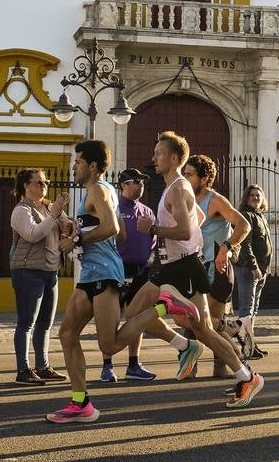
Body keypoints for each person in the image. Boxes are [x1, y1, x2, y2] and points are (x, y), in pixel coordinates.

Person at [100, 131, 265, 408]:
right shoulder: (176, 186)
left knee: (148, 322)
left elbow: (186, 228)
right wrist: (188, 241)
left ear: (174, 158)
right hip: (176, 264)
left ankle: (172, 314)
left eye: (159, 153)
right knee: (201, 329)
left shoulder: (177, 187)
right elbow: (197, 219)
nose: (154, 157)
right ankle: (228, 366)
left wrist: (153, 229)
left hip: (181, 267)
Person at [46, 140, 124, 423]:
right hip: (91, 273)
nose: (74, 166)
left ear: (92, 166)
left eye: (78, 162)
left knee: (110, 346)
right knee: (67, 334)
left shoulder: (98, 189)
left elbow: (112, 227)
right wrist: (74, 227)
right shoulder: (104, 190)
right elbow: (112, 229)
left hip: (104, 273)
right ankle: (81, 403)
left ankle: (162, 310)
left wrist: (77, 238)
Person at [186, 155, 249, 377]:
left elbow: (243, 224)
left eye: (190, 174)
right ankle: (225, 363)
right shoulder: (185, 199)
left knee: (196, 319)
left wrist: (226, 247)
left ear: (205, 178)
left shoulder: (214, 200)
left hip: (217, 269)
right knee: (204, 323)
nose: (185, 178)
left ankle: (213, 365)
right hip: (194, 268)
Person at [9, 168, 68, 385]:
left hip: (50, 271)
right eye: (39, 182)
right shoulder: (21, 211)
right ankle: (23, 369)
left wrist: (61, 215)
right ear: (25, 186)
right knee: (27, 322)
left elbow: (67, 227)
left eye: (46, 181)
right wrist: (53, 215)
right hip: (28, 271)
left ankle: (42, 366)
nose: (44, 186)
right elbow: (33, 235)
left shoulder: (47, 207)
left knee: (45, 323)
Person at [99, 168, 157, 383]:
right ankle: (107, 365)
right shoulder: (113, 209)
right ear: (123, 185)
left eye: (142, 182)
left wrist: (150, 261)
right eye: (135, 181)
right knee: (110, 318)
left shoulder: (148, 211)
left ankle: (134, 364)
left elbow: (152, 241)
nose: (140, 185)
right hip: (117, 269)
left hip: (141, 270)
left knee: (137, 317)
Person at [234, 183, 272, 358]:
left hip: (261, 270)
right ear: (246, 199)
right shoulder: (247, 216)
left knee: (253, 310)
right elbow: (245, 245)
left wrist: (263, 269)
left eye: (258, 195)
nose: (256, 198)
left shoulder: (260, 216)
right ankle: (245, 348)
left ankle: (251, 345)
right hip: (248, 270)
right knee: (246, 310)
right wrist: (254, 267)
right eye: (252, 196)